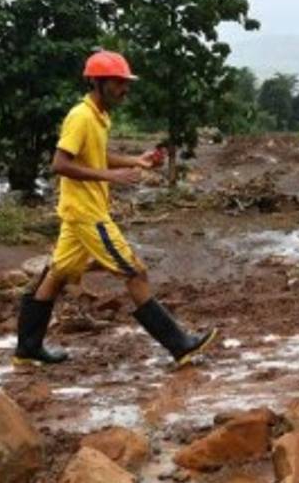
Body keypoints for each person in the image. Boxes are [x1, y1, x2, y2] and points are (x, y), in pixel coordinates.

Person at [12, 50, 218, 367]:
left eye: (126, 83)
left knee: (58, 274)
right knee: (135, 271)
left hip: (78, 212)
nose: (125, 89)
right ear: (98, 82)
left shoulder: (100, 116)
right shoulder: (80, 117)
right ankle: (180, 345)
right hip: (88, 214)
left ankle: (27, 349)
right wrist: (110, 176)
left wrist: (135, 160)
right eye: (119, 83)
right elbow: (60, 164)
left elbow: (95, 155)